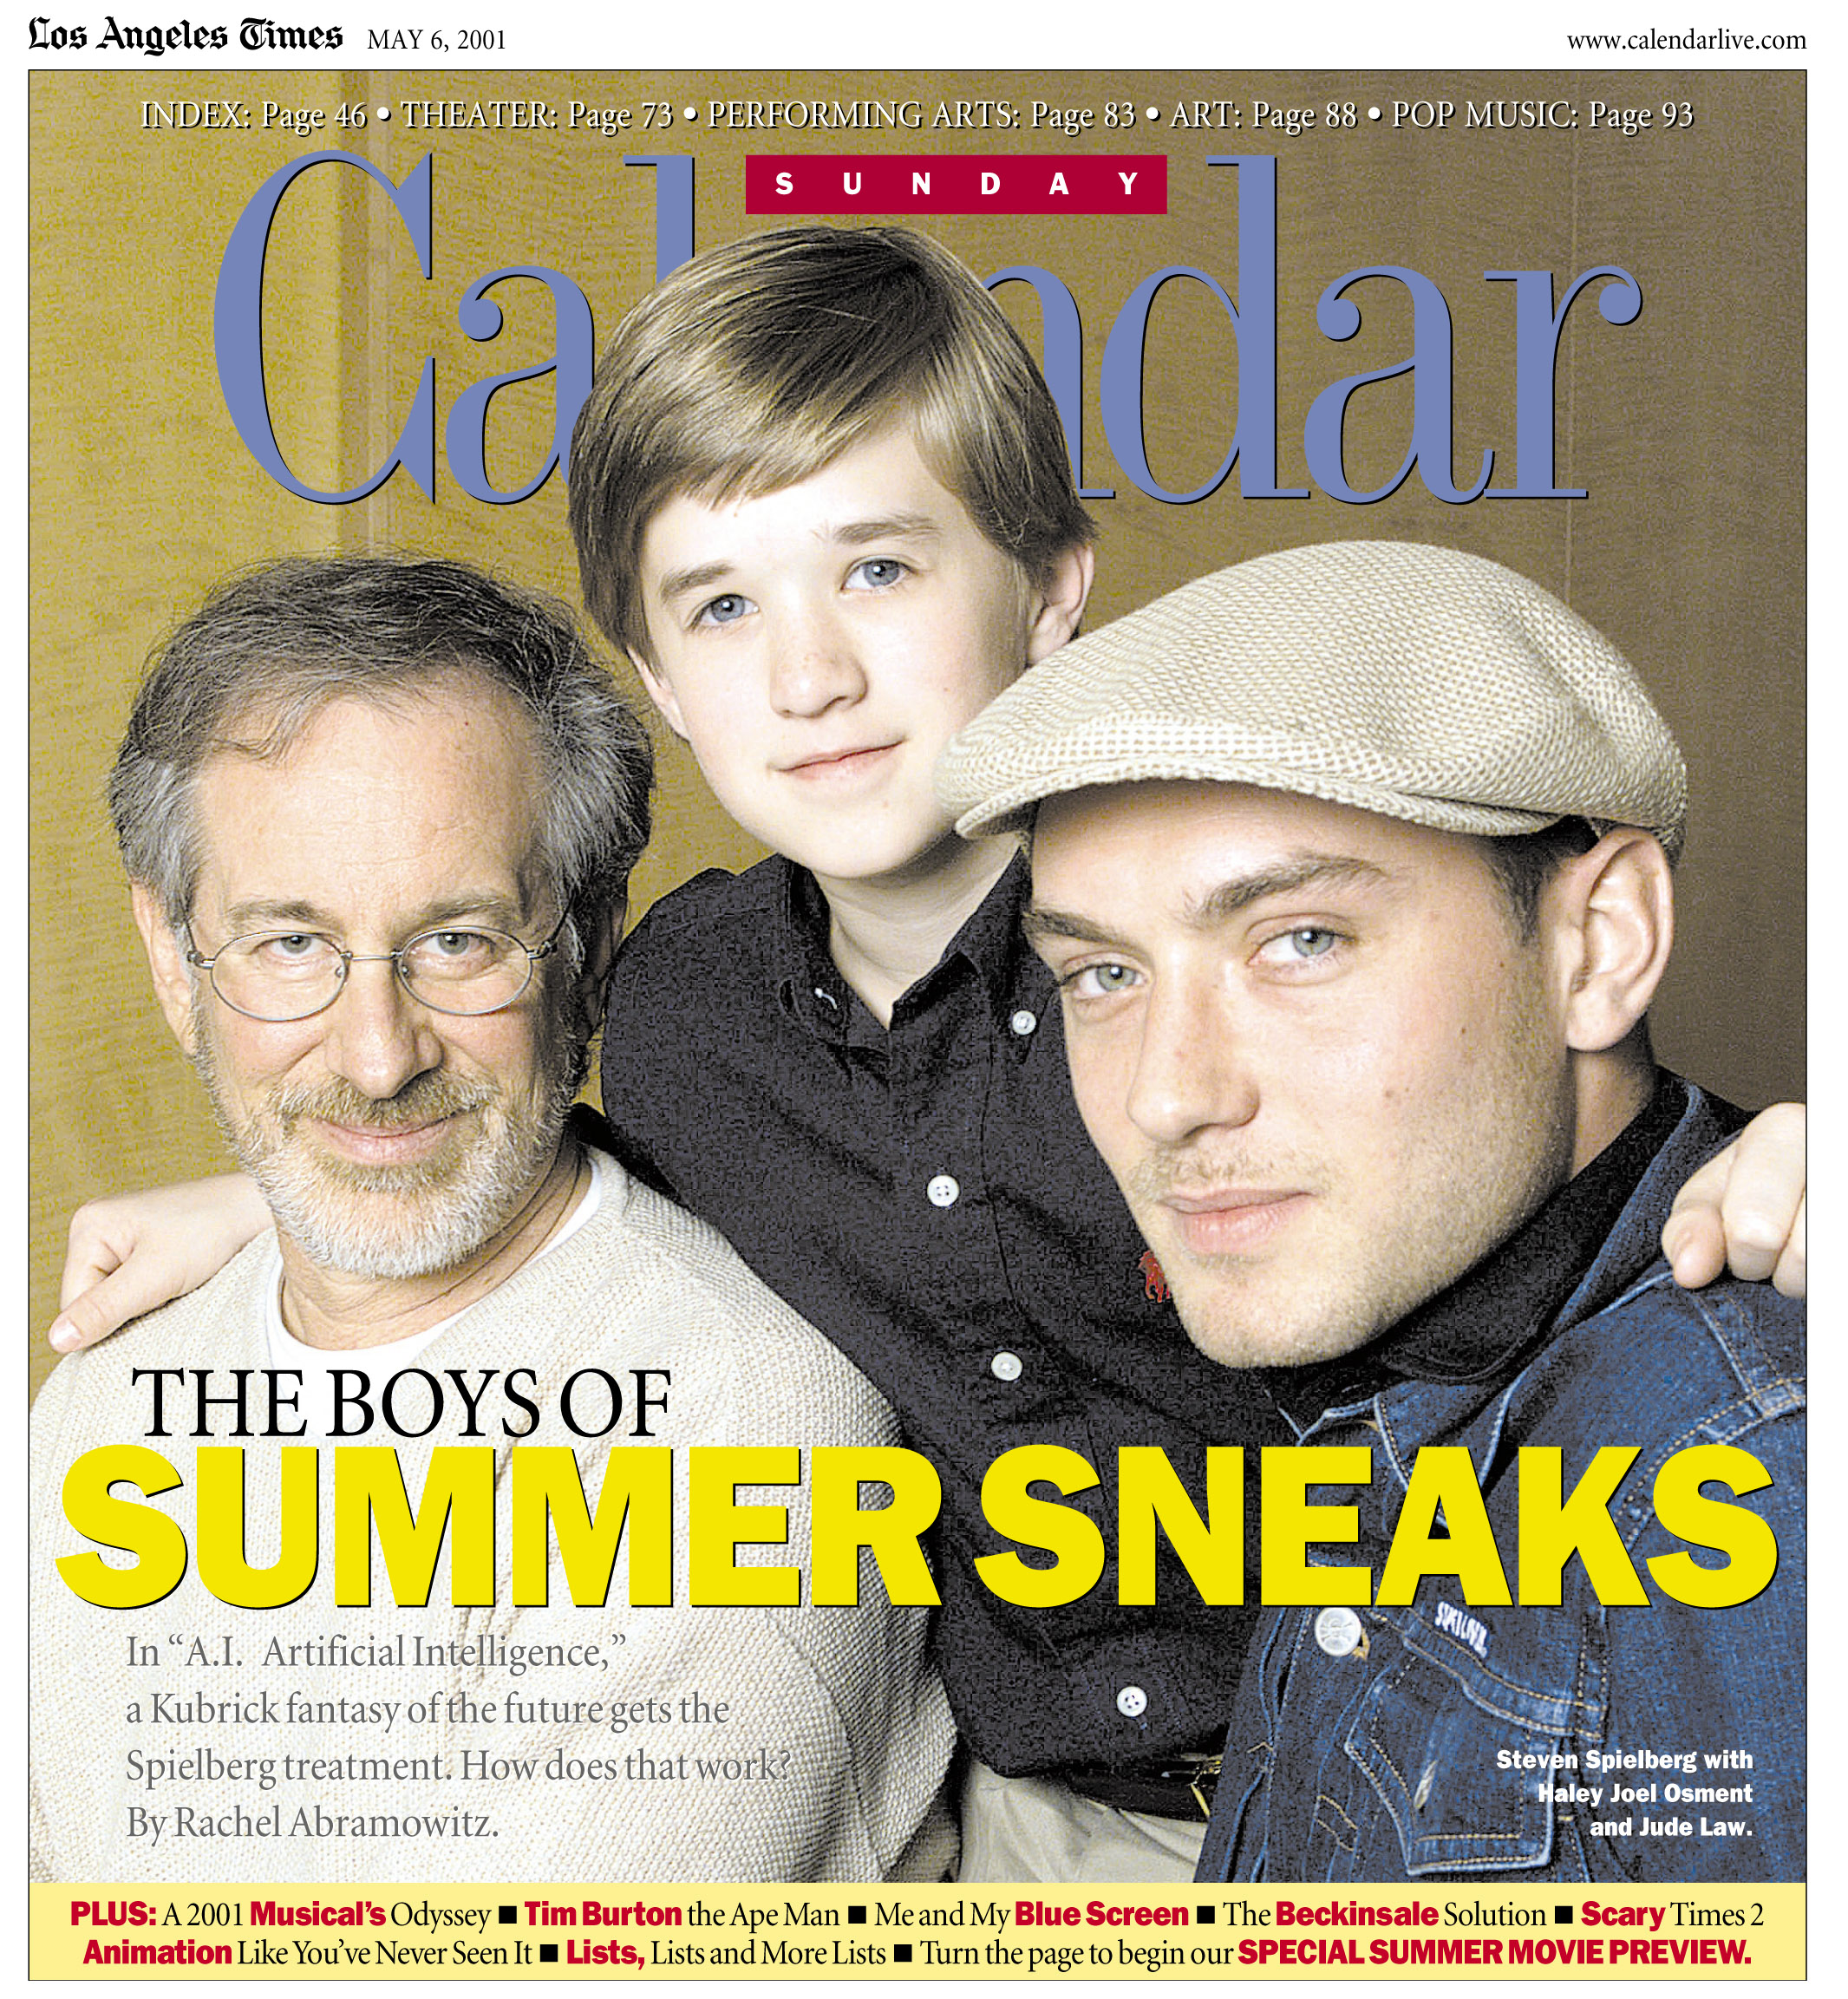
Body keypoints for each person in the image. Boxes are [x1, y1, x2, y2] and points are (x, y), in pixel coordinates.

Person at [49, 230, 1806, 1883]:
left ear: (1049, 593)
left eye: (877, 568)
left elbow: (1533, 1148)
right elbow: (520, 1123)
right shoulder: (682, 1008)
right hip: (1008, 1800)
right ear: (655, 673)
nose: (810, 674)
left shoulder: (1177, 962)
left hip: (1400, 1746)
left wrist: (1779, 1166)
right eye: (723, 607)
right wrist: (281, 1196)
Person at [30, 554, 954, 1885]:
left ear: (585, 942)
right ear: (177, 967)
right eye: (289, 943)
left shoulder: (743, 1431)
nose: (375, 1053)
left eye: (459, 940)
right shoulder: (104, 1397)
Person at [937, 539, 1805, 1883]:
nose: (1170, 1095)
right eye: (1102, 973)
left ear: (1602, 941)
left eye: (1302, 941)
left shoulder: (1759, 1494)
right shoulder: (1400, 1338)